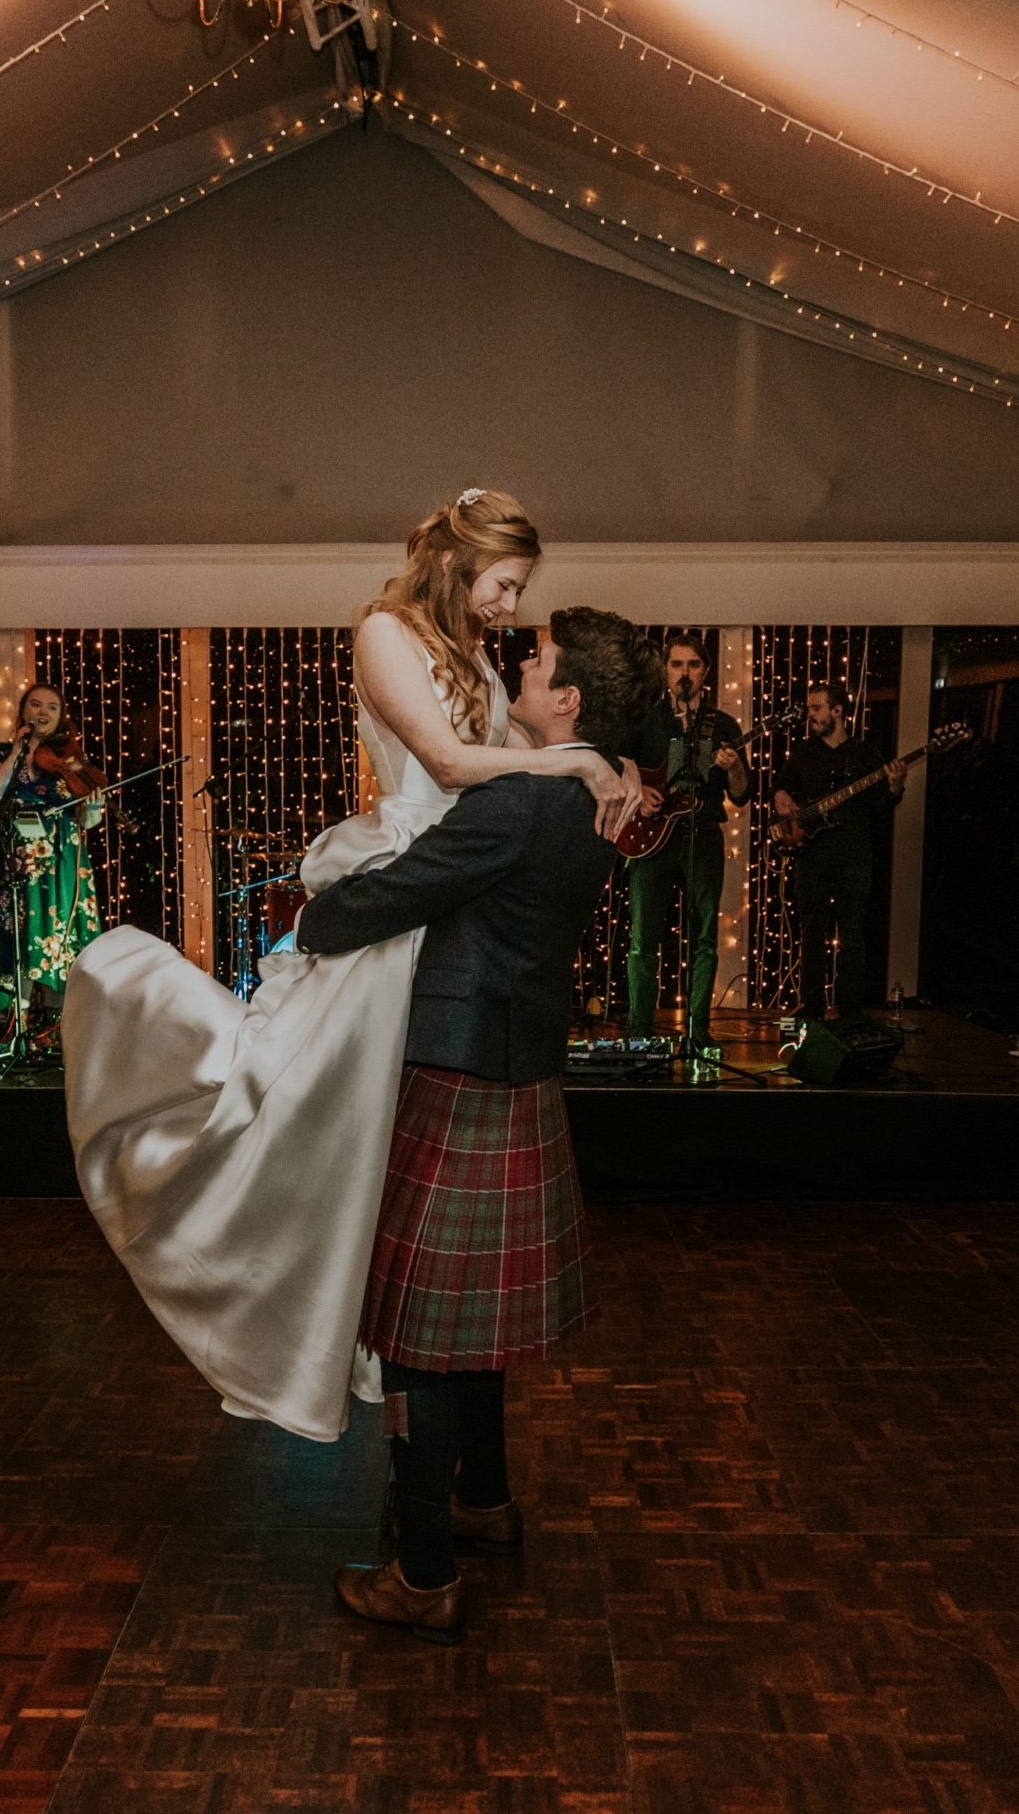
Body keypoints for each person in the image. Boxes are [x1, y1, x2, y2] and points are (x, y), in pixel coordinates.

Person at [63, 491, 643, 1446]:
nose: (510, 608)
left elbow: (507, 777)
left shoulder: (472, 653)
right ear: (461, 563)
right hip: (409, 884)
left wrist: (611, 769)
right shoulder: (385, 630)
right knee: (302, 1121)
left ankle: (383, 1361)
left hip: (451, 897)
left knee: (366, 1156)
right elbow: (455, 770)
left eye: (520, 593)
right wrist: (580, 763)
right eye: (506, 584)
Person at [295, 605, 663, 1644]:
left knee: (418, 1335)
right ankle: (485, 1502)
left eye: (536, 663)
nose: (520, 671)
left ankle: (421, 1575)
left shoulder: (519, 803)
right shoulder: (607, 792)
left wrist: (312, 918)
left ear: (568, 700)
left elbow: (407, 891)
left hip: (457, 1071)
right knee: (474, 1331)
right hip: (521, 1062)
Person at [622, 631, 750, 1053]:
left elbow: (742, 794)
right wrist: (639, 790)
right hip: (652, 842)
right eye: (677, 665)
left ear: (705, 671)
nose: (684, 673)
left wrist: (732, 770)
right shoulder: (644, 719)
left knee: (705, 939)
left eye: (692, 665)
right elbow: (616, 765)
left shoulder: (725, 725)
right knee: (644, 939)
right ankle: (640, 1031)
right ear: (666, 670)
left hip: (703, 837)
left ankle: (698, 1032)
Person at [772, 682, 905, 1022]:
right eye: (810, 709)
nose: (810, 716)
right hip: (811, 855)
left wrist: (894, 785)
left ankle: (850, 1012)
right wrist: (781, 796)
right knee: (812, 935)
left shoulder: (865, 755)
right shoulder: (804, 752)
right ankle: (812, 1010)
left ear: (837, 711)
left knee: (852, 937)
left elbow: (881, 806)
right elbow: (780, 786)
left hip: (854, 856)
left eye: (816, 709)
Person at [0, 684, 105, 1027]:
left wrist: (95, 809)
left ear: (60, 717)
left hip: (61, 862)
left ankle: (55, 1024)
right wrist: (17, 750)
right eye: (36, 705)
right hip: (13, 861)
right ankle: (11, 1022)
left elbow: (87, 820)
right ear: (22, 711)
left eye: (51, 707)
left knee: (59, 939)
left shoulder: (71, 759)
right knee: (14, 935)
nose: (43, 713)